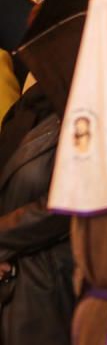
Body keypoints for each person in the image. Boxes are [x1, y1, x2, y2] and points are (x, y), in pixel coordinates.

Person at [0, 84, 73, 344]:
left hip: (46, 286)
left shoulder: (86, 114)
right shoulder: (27, 108)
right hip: (15, 281)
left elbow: (68, 201)